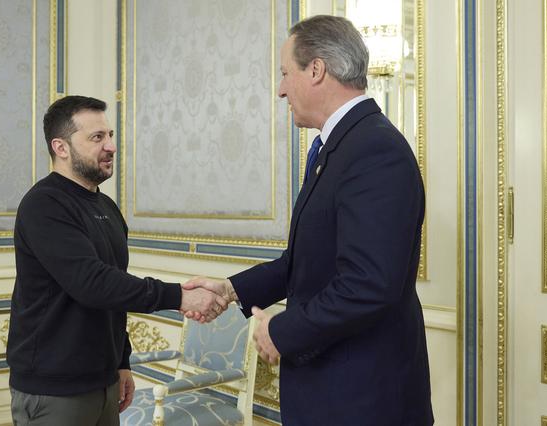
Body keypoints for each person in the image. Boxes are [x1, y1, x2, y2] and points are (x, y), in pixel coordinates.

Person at [184, 15, 434, 425]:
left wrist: (281, 332)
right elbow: (303, 260)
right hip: (333, 390)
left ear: (316, 69)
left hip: (363, 398)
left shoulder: (373, 149)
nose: (281, 89)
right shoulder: (335, 147)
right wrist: (230, 289)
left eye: (286, 73)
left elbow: (369, 283)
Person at [6, 95, 227, 426]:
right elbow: (92, 283)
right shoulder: (44, 204)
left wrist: (121, 361)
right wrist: (180, 295)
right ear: (61, 147)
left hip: (104, 380)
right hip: (55, 389)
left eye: (110, 135)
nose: (110, 146)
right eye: (97, 138)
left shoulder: (107, 208)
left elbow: (112, 291)